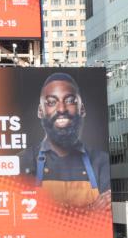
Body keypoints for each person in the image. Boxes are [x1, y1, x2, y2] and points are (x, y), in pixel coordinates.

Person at [19, 73, 111, 210]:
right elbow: (21, 212)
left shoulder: (101, 161)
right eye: (51, 102)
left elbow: (105, 213)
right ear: (40, 111)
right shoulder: (22, 161)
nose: (61, 109)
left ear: (82, 109)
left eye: (69, 101)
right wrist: (91, 210)